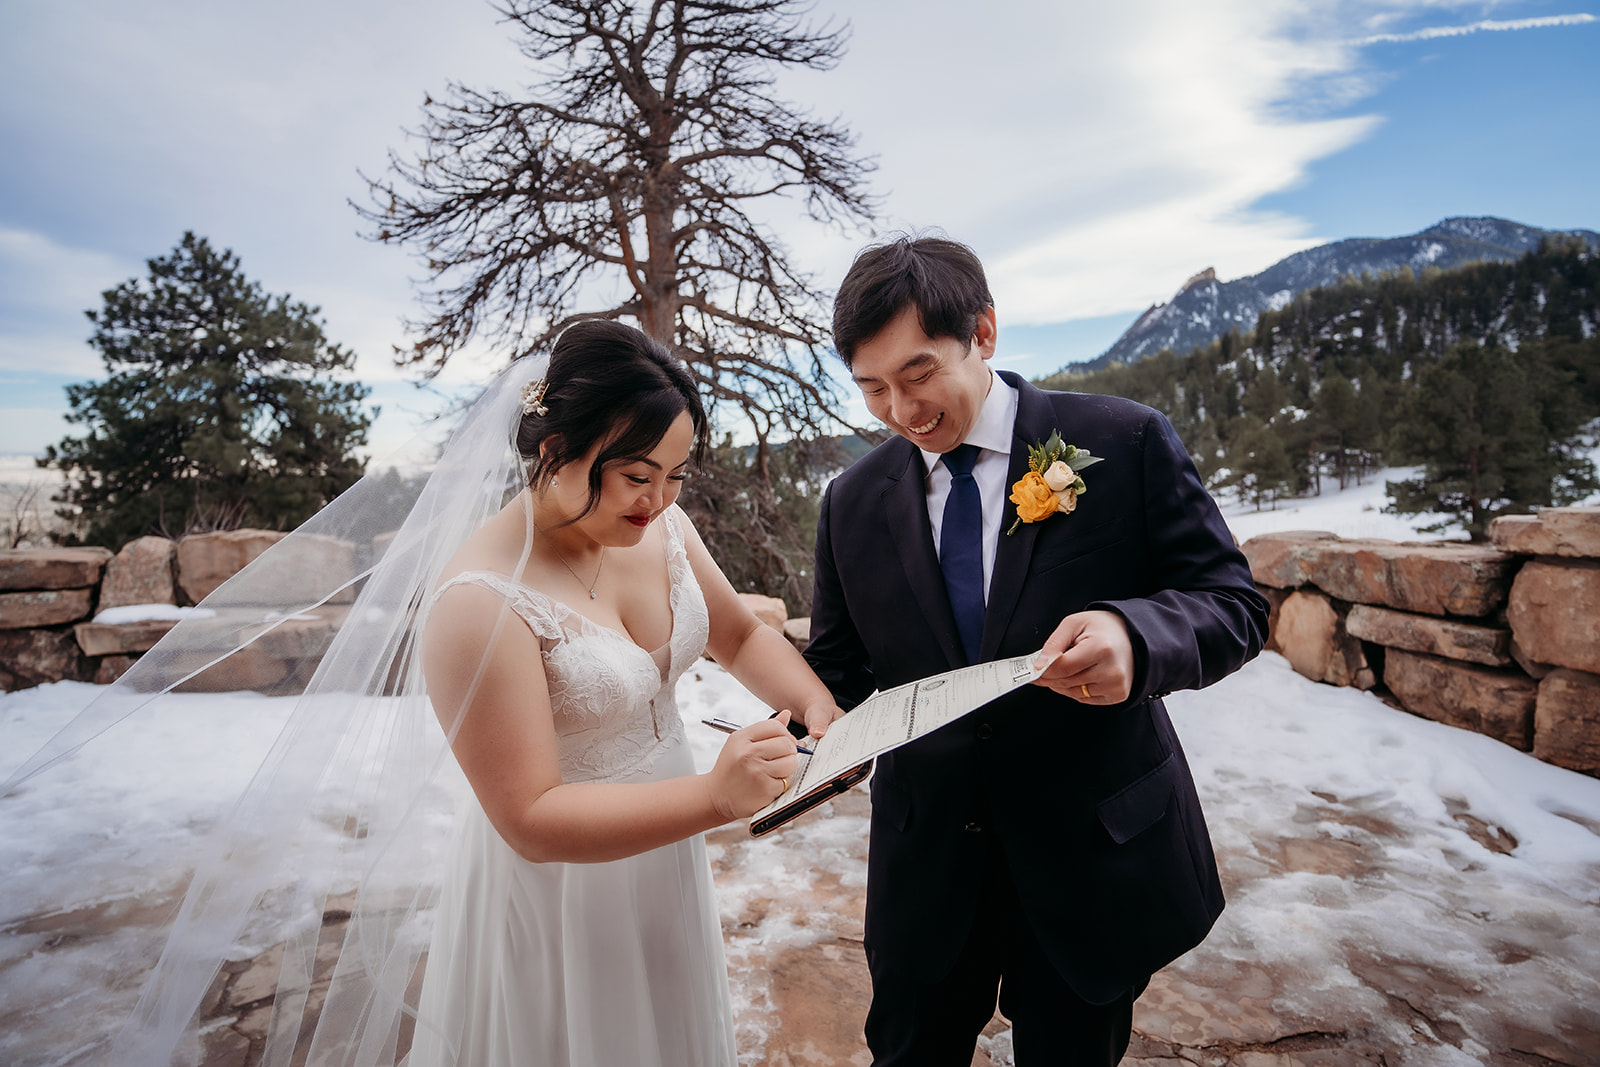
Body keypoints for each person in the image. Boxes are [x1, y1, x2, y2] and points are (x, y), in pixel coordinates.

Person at [1, 321, 840, 1067]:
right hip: (563, 891)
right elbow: (531, 819)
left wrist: (817, 710)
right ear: (555, 450)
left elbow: (735, 634)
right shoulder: (478, 600)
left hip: (663, 853)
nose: (659, 500)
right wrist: (713, 796)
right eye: (634, 476)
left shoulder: (662, 526)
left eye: (677, 473)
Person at [802, 236, 1270, 1065]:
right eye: (873, 388)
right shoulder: (849, 503)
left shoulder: (1123, 442)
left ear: (983, 332)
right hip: (927, 862)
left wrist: (1136, 634)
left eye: (918, 374)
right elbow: (837, 673)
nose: (902, 413)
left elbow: (1234, 605)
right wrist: (803, 735)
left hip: (1090, 852)